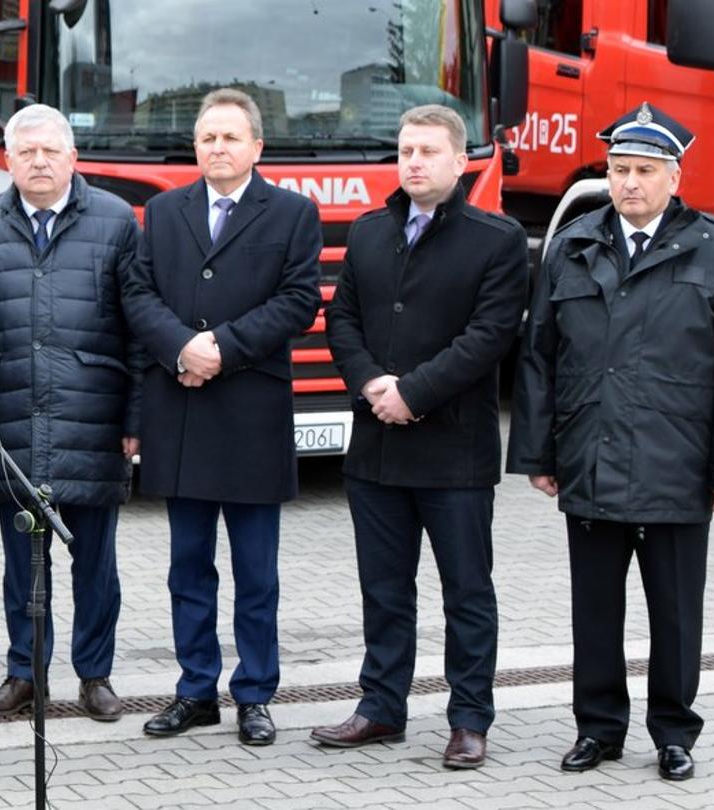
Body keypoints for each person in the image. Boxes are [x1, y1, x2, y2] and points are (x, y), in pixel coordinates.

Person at [508, 102, 714, 782]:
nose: (629, 182)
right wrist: (537, 454)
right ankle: (598, 729)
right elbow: (538, 356)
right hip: (590, 456)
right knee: (595, 609)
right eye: (620, 169)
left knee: (675, 613)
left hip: (678, 463)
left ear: (674, 178)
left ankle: (674, 734)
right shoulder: (573, 244)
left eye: (645, 171)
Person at [312, 105, 527, 769]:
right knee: (384, 591)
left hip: (455, 454)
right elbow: (342, 319)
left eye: (429, 151)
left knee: (467, 593)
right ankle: (381, 707)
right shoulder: (370, 231)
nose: (414, 162)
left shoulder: (497, 240)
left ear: (460, 162)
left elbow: (489, 337)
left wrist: (413, 392)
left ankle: (469, 719)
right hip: (376, 451)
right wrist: (371, 383)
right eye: (406, 150)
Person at [121, 87, 321, 747]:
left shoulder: (292, 213)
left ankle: (255, 694)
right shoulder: (164, 210)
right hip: (181, 411)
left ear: (256, 147)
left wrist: (221, 349)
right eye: (208, 138)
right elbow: (138, 293)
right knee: (188, 567)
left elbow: (298, 300)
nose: (218, 148)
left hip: (251, 416)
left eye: (231, 137)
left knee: (256, 574)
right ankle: (195, 691)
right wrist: (182, 347)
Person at [0, 104, 141, 723]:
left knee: (96, 565)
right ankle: (24, 674)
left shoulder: (116, 221)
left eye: (50, 151)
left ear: (72, 158)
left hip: (94, 418)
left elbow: (137, 326)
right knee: (21, 566)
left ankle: (95, 675)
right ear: (7, 160)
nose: (39, 162)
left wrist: (137, 418)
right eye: (26, 152)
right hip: (9, 418)